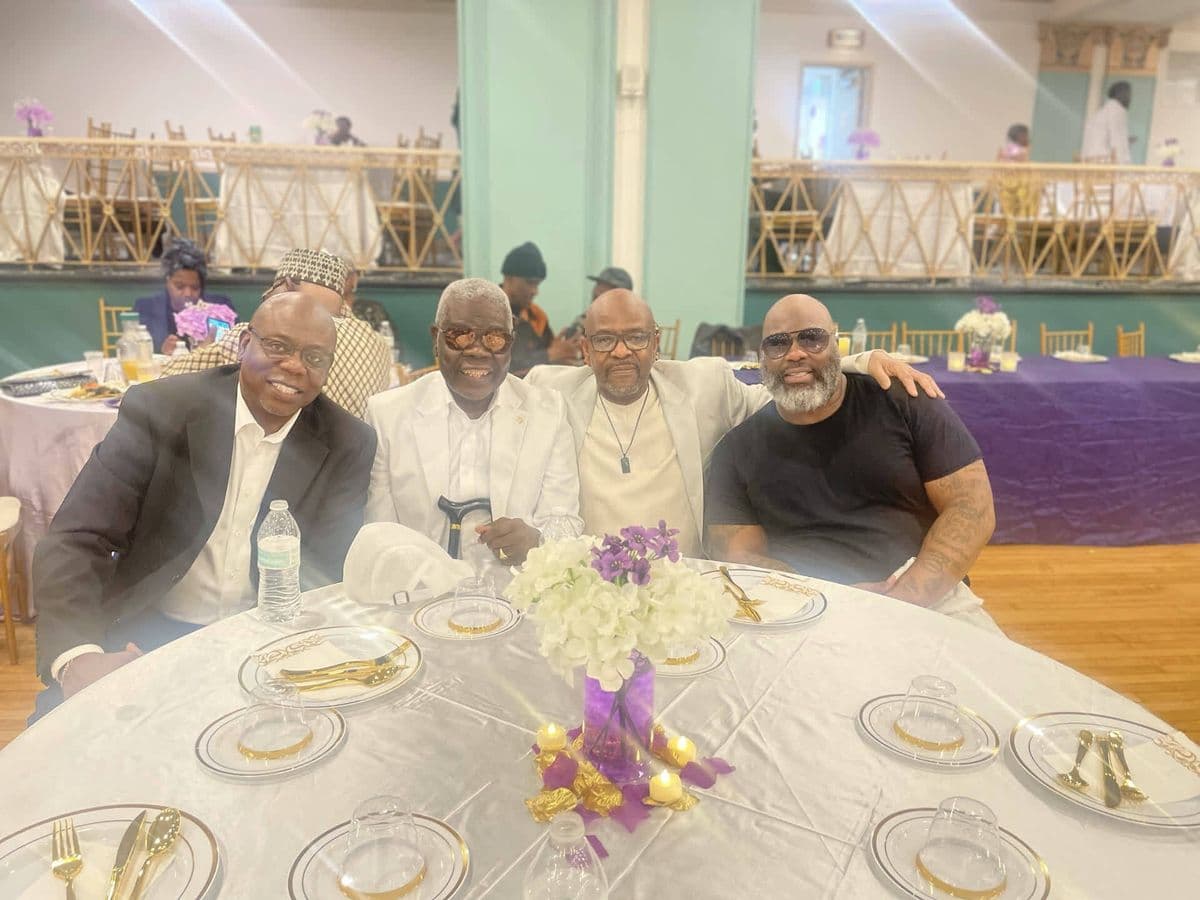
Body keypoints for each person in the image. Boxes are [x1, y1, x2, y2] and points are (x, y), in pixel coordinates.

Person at [31, 292, 377, 719]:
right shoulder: (162, 410)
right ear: (244, 342)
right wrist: (78, 656)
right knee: (62, 757)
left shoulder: (347, 442)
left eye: (315, 357)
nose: (294, 366)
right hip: (147, 634)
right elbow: (79, 538)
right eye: (278, 346)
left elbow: (327, 571)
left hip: (267, 644)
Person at [526, 289, 943, 558]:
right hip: (587, 584)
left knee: (682, 694)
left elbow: (786, 391)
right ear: (584, 349)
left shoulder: (704, 385)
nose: (621, 352)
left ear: (656, 343)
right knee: (599, 695)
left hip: (685, 581)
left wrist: (859, 361)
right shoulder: (550, 391)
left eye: (636, 338)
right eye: (604, 340)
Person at [704, 293, 1000, 632]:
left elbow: (972, 508)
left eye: (812, 338)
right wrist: (825, 600)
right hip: (799, 606)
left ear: (836, 343)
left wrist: (905, 597)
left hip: (927, 598)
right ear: (761, 357)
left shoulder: (903, 402)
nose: (795, 353)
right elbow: (740, 559)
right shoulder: (737, 449)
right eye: (778, 343)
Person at [366, 278, 582, 564]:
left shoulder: (548, 413)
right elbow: (378, 535)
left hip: (515, 592)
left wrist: (537, 540)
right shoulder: (387, 416)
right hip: (419, 594)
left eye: (494, 338)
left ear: (510, 344)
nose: (478, 351)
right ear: (436, 339)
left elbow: (565, 523)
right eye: (460, 335)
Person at [162, 248, 391, 418]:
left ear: (287, 286)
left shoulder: (258, 337)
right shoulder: (379, 344)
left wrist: (203, 348)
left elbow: (167, 376)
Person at [133, 239, 234, 353]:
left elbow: (234, 350)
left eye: (195, 287)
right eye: (179, 286)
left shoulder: (220, 309)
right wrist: (161, 352)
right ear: (167, 282)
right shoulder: (146, 308)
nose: (188, 294)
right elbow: (136, 354)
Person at [500, 241, 576, 375]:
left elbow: (552, 353)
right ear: (509, 278)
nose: (535, 291)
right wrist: (549, 356)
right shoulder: (487, 314)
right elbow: (498, 368)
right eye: (530, 283)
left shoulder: (537, 316)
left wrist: (563, 356)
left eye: (537, 285)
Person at [1080, 82, 1133, 164]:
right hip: (1103, 161)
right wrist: (1125, 163)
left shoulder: (1104, 110)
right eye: (1129, 94)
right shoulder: (1117, 110)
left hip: (1088, 160)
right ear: (1122, 94)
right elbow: (1117, 140)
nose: (1130, 98)